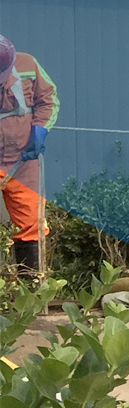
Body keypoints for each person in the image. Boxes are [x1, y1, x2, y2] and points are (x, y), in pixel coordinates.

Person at [0, 35, 59, 276]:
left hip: (23, 159)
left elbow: (48, 100)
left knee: (32, 225)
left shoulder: (28, 65)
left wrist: (40, 130)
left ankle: (32, 288)